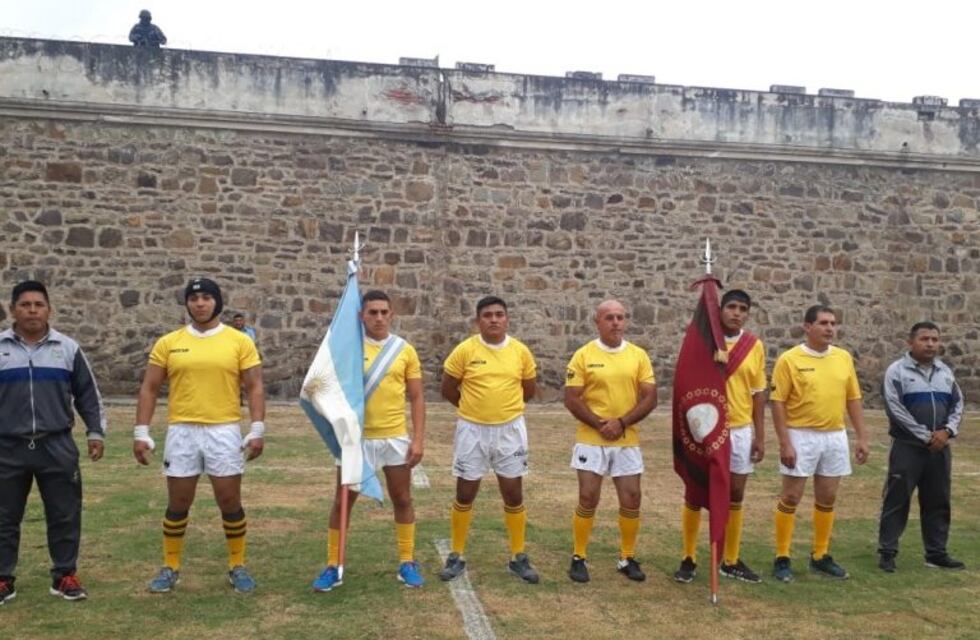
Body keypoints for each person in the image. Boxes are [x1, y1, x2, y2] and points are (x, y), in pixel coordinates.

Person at [133, 277, 266, 594]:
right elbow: (150, 387)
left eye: (207, 297)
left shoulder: (239, 341)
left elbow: (255, 386)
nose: (200, 303)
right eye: (194, 298)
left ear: (216, 302)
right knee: (178, 501)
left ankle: (237, 565)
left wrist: (257, 427)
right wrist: (141, 431)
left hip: (224, 430)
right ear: (187, 303)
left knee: (229, 500)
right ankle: (171, 566)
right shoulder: (169, 342)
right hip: (182, 431)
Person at [313, 290, 427, 591]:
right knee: (343, 502)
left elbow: (416, 397)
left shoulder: (404, 350)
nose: (378, 318)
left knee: (402, 499)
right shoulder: (347, 349)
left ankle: (406, 561)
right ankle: (333, 565)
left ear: (392, 315)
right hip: (356, 440)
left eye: (384, 312)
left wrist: (418, 439)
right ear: (361, 315)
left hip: (393, 438)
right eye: (372, 312)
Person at [0, 280, 106, 603]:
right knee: (3, 516)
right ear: (13, 309)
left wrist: (95, 431)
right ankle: (3, 579)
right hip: (7, 447)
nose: (32, 310)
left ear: (49, 309)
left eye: (38, 304)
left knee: (64, 513)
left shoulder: (67, 348)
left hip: (56, 445)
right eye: (25, 305)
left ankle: (64, 576)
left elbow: (88, 394)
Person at [438, 296, 539, 584]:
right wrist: (472, 408)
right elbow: (448, 387)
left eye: (499, 315)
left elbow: (528, 389)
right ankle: (456, 554)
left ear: (507, 319)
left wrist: (504, 410)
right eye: (487, 315)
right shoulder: (465, 350)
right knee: (465, 492)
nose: (494, 319)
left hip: (510, 430)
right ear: (477, 320)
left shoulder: (520, 352)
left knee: (513, 492)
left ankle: (518, 556)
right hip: (472, 430)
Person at [770, 304, 869, 582]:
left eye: (833, 323)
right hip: (801, 434)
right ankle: (782, 556)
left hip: (834, 435)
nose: (829, 329)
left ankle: (820, 555)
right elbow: (777, 403)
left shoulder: (843, 358)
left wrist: (861, 436)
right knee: (791, 497)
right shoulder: (790, 360)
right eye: (824, 323)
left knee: (827, 497)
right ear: (808, 327)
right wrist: (785, 443)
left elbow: (853, 398)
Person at [675, 289, 767, 584]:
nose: (736, 313)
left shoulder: (754, 346)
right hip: (708, 430)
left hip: (739, 429)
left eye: (742, 308)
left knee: (735, 494)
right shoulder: (702, 343)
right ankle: (689, 557)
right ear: (720, 309)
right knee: (696, 490)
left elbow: (757, 393)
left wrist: (760, 436)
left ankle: (730, 559)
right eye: (731, 307)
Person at [564, 300, 657, 583]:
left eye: (620, 317)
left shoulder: (638, 356)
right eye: (609, 318)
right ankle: (579, 556)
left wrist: (622, 423)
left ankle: (627, 556)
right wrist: (600, 424)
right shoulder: (583, 355)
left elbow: (650, 396)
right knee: (588, 497)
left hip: (626, 439)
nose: (616, 322)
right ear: (597, 322)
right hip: (591, 439)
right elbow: (571, 397)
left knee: (631, 498)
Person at [877, 322, 965, 572]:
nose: (930, 344)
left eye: (935, 340)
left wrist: (946, 432)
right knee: (897, 499)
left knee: (938, 500)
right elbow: (895, 410)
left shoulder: (945, 372)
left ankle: (936, 553)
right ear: (910, 342)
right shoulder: (897, 372)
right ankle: (887, 552)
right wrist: (926, 436)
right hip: (908, 448)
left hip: (939, 450)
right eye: (924, 339)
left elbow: (958, 404)